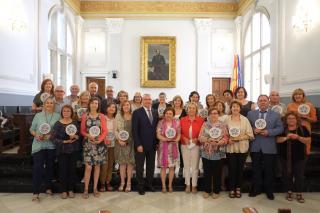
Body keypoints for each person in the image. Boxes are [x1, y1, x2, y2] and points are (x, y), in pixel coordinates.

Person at [247, 95, 283, 200]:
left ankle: (269, 191)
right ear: (257, 103)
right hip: (255, 146)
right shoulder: (251, 114)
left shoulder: (275, 114)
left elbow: (280, 128)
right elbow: (247, 127)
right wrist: (253, 130)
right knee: (256, 169)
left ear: (268, 102)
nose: (262, 102)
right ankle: (256, 189)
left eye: (264, 100)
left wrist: (269, 132)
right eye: (260, 101)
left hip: (269, 146)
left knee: (269, 170)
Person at [29, 97, 60, 202]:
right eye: (47, 103)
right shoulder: (38, 115)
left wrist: (51, 136)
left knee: (50, 167)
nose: (49, 105)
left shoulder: (57, 116)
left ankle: (48, 187)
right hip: (39, 144)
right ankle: (35, 192)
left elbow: (58, 131)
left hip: (51, 145)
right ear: (44, 104)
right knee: (38, 168)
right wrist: (36, 135)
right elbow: (31, 129)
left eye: (51, 103)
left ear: (54, 105)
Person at [276, 111, 311, 203]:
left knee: (299, 176)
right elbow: (277, 140)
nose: (291, 120)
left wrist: (298, 137)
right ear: (286, 120)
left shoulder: (303, 128)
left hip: (300, 157)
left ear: (297, 119)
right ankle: (289, 192)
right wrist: (286, 138)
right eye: (289, 118)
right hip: (284, 157)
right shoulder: (282, 129)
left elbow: (308, 141)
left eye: (293, 118)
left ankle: (299, 193)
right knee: (287, 175)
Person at [224, 100, 254, 198]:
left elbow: (250, 135)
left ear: (240, 108)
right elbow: (223, 134)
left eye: (237, 106)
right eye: (233, 106)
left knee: (240, 170)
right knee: (232, 169)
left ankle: (238, 188)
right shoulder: (227, 120)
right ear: (231, 108)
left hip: (242, 148)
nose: (235, 108)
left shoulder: (245, 119)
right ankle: (231, 188)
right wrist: (228, 139)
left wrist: (239, 138)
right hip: (230, 148)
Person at [199, 107, 229, 199]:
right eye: (211, 113)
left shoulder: (222, 125)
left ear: (218, 115)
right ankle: (207, 190)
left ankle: (216, 191)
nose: (213, 115)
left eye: (215, 113)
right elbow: (200, 136)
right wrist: (208, 139)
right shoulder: (205, 124)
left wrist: (219, 142)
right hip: (206, 152)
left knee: (217, 173)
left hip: (218, 152)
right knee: (207, 172)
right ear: (209, 115)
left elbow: (226, 137)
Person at [132, 94, 159, 195]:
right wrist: (138, 144)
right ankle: (140, 186)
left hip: (152, 145)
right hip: (141, 145)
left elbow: (156, 129)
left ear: (151, 101)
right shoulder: (137, 112)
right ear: (142, 101)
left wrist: (157, 143)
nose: (148, 101)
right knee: (139, 167)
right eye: (146, 99)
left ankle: (149, 184)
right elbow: (134, 130)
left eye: (149, 99)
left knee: (151, 166)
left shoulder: (155, 112)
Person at [81, 97, 107, 199]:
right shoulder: (84, 116)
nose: (94, 105)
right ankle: (86, 189)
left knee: (97, 167)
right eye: (92, 103)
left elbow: (104, 131)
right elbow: (82, 131)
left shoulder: (101, 116)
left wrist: (100, 139)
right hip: (88, 144)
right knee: (88, 167)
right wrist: (88, 136)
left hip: (99, 145)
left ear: (98, 105)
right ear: (89, 104)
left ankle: (95, 188)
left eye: (96, 103)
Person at [51, 105, 80, 199]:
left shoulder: (75, 123)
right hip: (62, 151)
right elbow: (53, 139)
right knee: (63, 171)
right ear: (62, 112)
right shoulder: (57, 124)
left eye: (68, 111)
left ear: (71, 112)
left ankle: (71, 189)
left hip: (73, 150)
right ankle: (63, 190)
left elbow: (79, 135)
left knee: (72, 170)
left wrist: (75, 136)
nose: (66, 112)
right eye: (64, 111)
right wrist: (64, 141)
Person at [180, 102, 204, 193]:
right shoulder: (182, 119)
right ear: (187, 109)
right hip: (184, 144)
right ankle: (187, 184)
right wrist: (183, 138)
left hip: (196, 145)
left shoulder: (201, 120)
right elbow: (179, 132)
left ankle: (194, 185)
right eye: (189, 108)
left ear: (196, 110)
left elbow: (202, 132)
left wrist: (197, 139)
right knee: (186, 166)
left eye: (193, 108)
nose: (191, 110)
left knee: (195, 166)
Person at [156, 107, 181, 193]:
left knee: (171, 167)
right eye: (167, 113)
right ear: (164, 114)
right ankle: (163, 186)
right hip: (163, 147)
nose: (168, 115)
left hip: (173, 147)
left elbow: (179, 134)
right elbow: (158, 135)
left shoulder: (177, 122)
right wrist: (166, 139)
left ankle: (170, 185)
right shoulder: (160, 122)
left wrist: (176, 140)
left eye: (170, 114)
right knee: (163, 167)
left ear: (173, 115)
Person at [286, 88, 317, 155]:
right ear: (293, 96)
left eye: (300, 94)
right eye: (296, 94)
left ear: (303, 96)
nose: (298, 96)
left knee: (305, 148)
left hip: (305, 128)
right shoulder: (289, 105)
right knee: (293, 147)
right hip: (292, 128)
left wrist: (306, 117)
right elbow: (287, 118)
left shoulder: (309, 105)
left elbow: (314, 119)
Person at [115, 101, 135, 192]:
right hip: (121, 142)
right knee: (122, 164)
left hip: (131, 143)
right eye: (124, 105)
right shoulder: (118, 116)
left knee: (130, 164)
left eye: (128, 105)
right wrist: (119, 139)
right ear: (121, 107)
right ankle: (122, 182)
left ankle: (129, 183)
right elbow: (115, 130)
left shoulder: (134, 115)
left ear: (130, 106)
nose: (126, 106)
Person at [99, 103, 117, 192]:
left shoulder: (116, 119)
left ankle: (108, 182)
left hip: (113, 144)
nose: (111, 108)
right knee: (104, 165)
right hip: (103, 144)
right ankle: (102, 183)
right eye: (109, 107)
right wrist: (104, 139)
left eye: (113, 107)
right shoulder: (102, 118)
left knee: (110, 164)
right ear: (106, 108)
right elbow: (100, 130)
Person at [172, 95, 187, 175]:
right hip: (171, 134)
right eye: (176, 100)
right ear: (173, 102)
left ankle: (181, 168)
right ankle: (173, 167)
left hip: (181, 134)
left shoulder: (184, 111)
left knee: (181, 151)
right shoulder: (170, 110)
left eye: (179, 101)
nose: (177, 102)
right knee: (172, 151)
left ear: (181, 102)